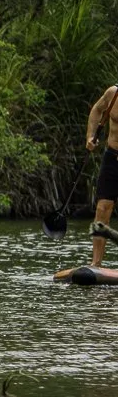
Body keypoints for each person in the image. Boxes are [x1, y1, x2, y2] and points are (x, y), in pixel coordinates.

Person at [86, 81, 118, 266]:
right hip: (112, 158)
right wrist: (90, 136)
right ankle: (96, 264)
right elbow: (97, 110)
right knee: (102, 208)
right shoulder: (113, 94)